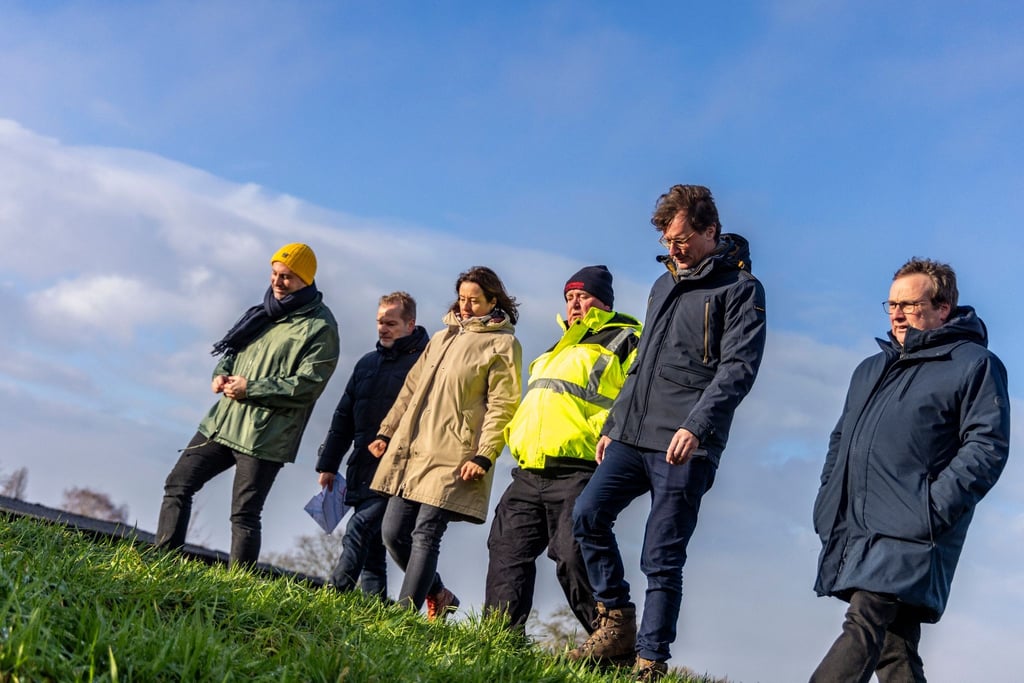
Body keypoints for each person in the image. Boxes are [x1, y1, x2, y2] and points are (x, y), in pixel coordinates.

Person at [570, 185, 767, 681]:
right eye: (666, 240)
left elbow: (738, 369)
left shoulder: (741, 289)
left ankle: (650, 663)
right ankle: (616, 620)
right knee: (587, 515)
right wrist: (615, 424)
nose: (673, 249)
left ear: (709, 231)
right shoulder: (662, 285)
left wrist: (697, 427)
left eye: (681, 239)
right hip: (632, 436)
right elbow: (641, 365)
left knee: (661, 556)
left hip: (685, 444)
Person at [809, 258, 1010, 683]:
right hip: (856, 524)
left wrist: (930, 509)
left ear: (943, 308)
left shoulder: (974, 364)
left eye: (910, 305)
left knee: (864, 622)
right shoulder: (870, 369)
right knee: (894, 649)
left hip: (913, 528)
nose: (897, 314)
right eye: (892, 304)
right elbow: (840, 440)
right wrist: (829, 500)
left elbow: (987, 446)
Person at [156, 243, 340, 567]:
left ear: (306, 279)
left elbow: (308, 385)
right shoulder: (264, 312)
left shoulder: (321, 327)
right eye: (274, 273)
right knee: (177, 484)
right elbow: (233, 352)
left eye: (287, 276)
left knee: (244, 514)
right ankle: (163, 563)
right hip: (223, 423)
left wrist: (251, 388)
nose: (277, 281)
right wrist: (220, 374)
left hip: (265, 435)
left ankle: (236, 586)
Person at [484, 266, 641, 635]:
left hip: (580, 469)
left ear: (604, 301)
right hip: (529, 471)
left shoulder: (628, 339)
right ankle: (497, 640)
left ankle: (610, 643)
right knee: (506, 552)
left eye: (582, 296)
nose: (574, 304)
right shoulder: (556, 348)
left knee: (573, 556)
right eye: (569, 297)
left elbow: (638, 398)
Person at [368, 266, 523, 619]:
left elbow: (503, 405)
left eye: (474, 300)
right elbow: (410, 389)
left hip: (456, 454)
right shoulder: (440, 338)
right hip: (414, 450)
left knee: (426, 533)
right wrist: (385, 432)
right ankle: (438, 591)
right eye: (462, 299)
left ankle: (402, 617)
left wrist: (484, 455)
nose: (465, 306)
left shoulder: (503, 344)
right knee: (392, 533)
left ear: (493, 301)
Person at [315, 292, 429, 597]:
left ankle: (335, 593)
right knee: (373, 550)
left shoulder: (425, 364)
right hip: (363, 466)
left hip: (399, 471)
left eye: (391, 323)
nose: (383, 329)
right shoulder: (366, 364)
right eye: (380, 322)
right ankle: (373, 608)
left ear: (410, 324)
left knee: (359, 529)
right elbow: (343, 418)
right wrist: (328, 464)